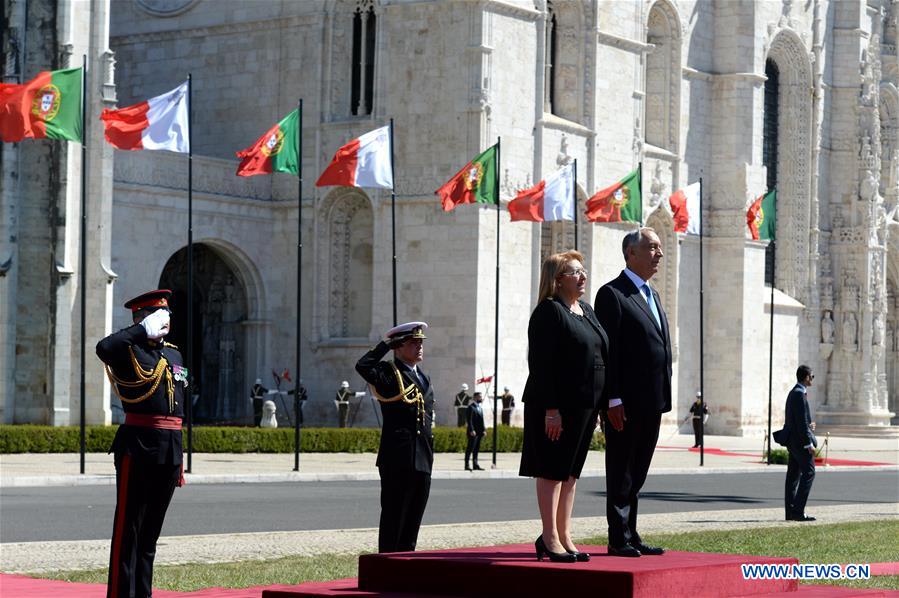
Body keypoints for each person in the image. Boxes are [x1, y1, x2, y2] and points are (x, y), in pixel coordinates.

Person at [96, 289, 188, 598]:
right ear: (142, 318)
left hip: (170, 448)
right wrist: (140, 331)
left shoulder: (173, 354)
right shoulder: (128, 349)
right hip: (138, 446)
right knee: (128, 530)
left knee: (150, 534)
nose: (165, 322)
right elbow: (104, 347)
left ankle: (143, 594)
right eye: (157, 316)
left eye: (166, 316)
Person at [519, 250, 608, 564]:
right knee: (552, 471)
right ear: (557, 280)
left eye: (583, 270)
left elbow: (600, 354)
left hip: (585, 405)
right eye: (574, 272)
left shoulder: (585, 309)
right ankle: (549, 536)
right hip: (556, 407)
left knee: (571, 473)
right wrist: (552, 409)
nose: (583, 276)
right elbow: (542, 365)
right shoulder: (549, 311)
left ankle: (564, 533)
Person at [595, 228, 671, 558]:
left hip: (652, 399)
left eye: (660, 248)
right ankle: (617, 537)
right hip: (624, 402)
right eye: (652, 248)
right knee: (622, 468)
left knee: (638, 470)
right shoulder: (613, 294)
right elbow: (606, 351)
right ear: (631, 253)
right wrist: (611, 397)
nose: (659, 254)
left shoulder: (651, 295)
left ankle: (631, 532)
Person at [355, 321, 435, 553]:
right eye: (413, 343)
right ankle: (388, 567)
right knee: (394, 517)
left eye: (421, 343)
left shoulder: (424, 377)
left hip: (422, 458)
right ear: (398, 347)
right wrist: (385, 345)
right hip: (398, 458)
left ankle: (407, 568)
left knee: (413, 520)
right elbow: (363, 366)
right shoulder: (389, 373)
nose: (419, 347)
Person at [783, 365, 817, 522]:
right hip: (800, 443)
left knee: (793, 477)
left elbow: (799, 419)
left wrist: (809, 425)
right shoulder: (798, 394)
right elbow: (801, 422)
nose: (812, 379)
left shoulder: (794, 393)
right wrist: (808, 443)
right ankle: (798, 511)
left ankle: (790, 512)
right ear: (806, 377)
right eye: (812, 376)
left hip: (793, 441)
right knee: (809, 473)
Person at [465, 392, 486, 471]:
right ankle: (467, 465)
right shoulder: (471, 407)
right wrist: (471, 430)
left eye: (481, 397)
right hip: (473, 432)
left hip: (479, 432)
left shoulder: (480, 408)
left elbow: (482, 420)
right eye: (479, 397)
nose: (481, 398)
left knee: (476, 449)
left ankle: (475, 464)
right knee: (470, 448)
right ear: (475, 397)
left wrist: (483, 430)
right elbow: (469, 420)